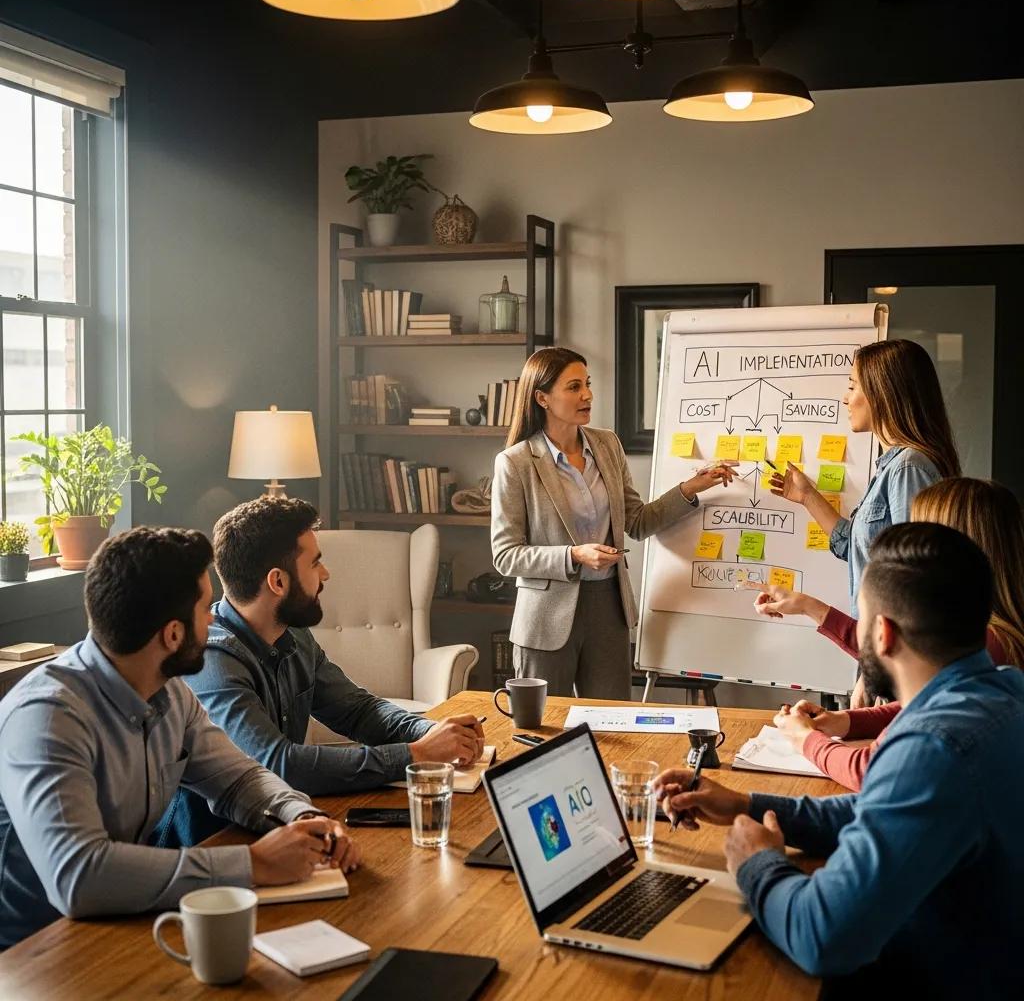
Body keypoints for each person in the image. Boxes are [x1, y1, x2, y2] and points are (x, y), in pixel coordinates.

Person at [654, 523, 1024, 996]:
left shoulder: (934, 746)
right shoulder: (1002, 691)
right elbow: (883, 809)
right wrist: (745, 805)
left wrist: (757, 862)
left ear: (883, 634)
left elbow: (822, 936)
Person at [0, 527, 360, 952]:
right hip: (36, 952)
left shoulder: (168, 689)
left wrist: (300, 819)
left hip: (126, 922)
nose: (214, 618)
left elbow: (239, 779)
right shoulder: (47, 718)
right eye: (207, 608)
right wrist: (253, 863)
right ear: (173, 634)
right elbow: (79, 875)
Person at [155, 496, 484, 847]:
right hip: (215, 852)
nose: (325, 574)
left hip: (285, 830)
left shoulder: (292, 633)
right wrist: (416, 754)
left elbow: (359, 711)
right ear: (277, 582)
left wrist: (435, 733)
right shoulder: (213, 661)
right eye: (315, 563)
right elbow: (279, 765)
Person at [491, 346, 736, 700]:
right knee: (543, 729)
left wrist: (690, 488)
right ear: (542, 398)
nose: (587, 394)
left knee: (614, 723)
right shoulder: (515, 463)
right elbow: (506, 555)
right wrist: (574, 555)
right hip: (546, 618)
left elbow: (637, 521)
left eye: (587, 384)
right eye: (573, 387)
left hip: (609, 607)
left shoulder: (607, 445)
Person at [753, 477, 1024, 789]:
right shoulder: (996, 636)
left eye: (923, 533)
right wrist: (847, 721)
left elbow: (872, 769)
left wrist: (805, 739)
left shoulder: (988, 643)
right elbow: (923, 704)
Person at [770, 339, 959, 620]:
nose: (845, 399)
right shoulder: (891, 467)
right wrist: (808, 496)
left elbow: (913, 577)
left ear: (883, 392)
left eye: (851, 386)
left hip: (895, 650)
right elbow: (858, 549)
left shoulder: (908, 468)